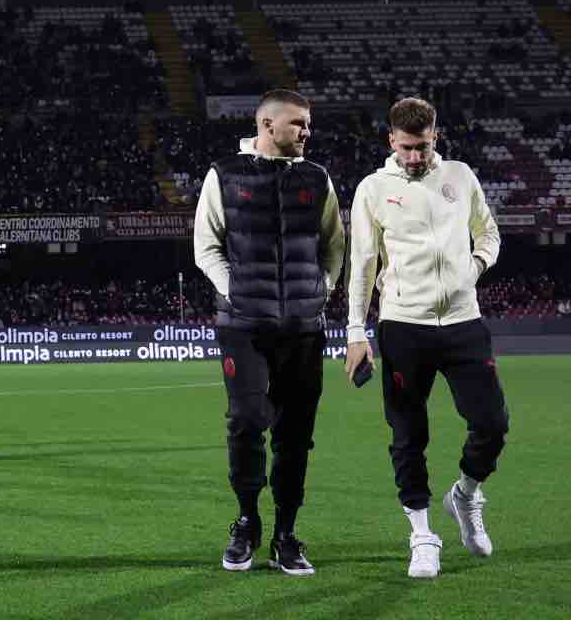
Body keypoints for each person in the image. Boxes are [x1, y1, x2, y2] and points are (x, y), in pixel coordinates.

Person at [346, 97, 505, 579]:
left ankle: (466, 494)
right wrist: (355, 331)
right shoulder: (373, 189)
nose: (415, 156)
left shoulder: (460, 176)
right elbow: (362, 265)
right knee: (408, 435)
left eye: (423, 145)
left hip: (462, 320)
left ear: (435, 135)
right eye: (407, 147)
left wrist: (472, 269)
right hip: (402, 324)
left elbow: (488, 234)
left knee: (492, 422)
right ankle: (422, 535)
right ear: (391, 140)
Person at [193, 89, 345, 576]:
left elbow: (334, 244)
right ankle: (246, 521)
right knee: (247, 420)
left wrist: (321, 290)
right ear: (267, 126)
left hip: (303, 327)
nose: (306, 132)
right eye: (298, 123)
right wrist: (232, 291)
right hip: (243, 327)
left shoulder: (317, 178)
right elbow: (206, 245)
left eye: (308, 124)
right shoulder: (223, 175)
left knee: (296, 435)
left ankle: (286, 532)